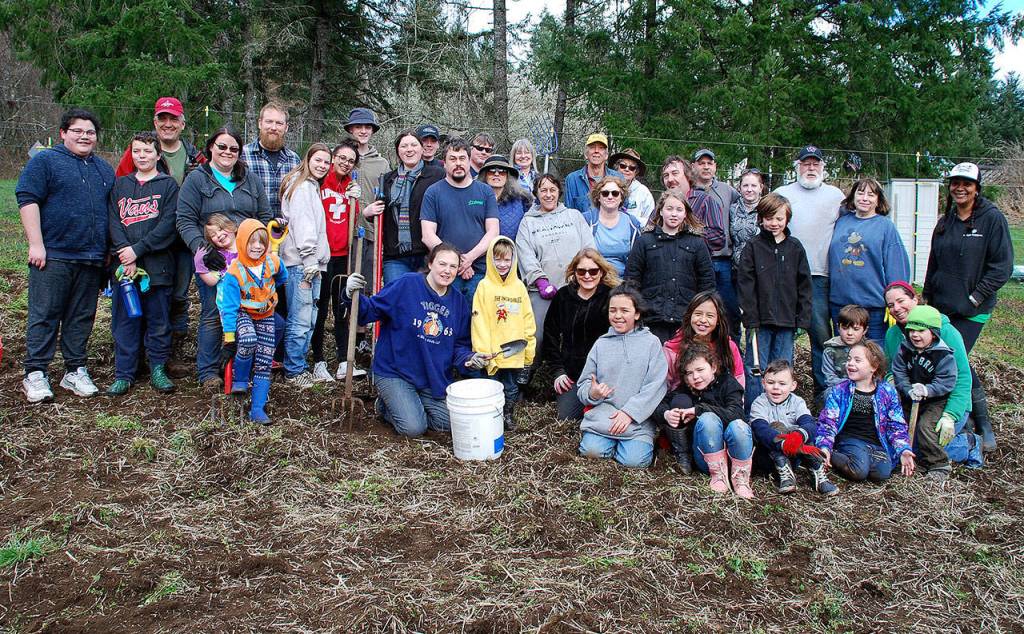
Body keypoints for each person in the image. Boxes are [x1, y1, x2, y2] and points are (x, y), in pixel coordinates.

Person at [18, 108, 114, 403]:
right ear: (63, 133)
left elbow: (112, 212)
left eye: (90, 132)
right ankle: (35, 372)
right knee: (45, 314)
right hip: (55, 254)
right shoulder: (46, 161)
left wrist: (107, 250)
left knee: (81, 316)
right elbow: (27, 198)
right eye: (77, 131)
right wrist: (36, 243)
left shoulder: (104, 170)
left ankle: (75, 369)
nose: (84, 136)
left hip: (91, 257)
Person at [343, 243, 483, 437]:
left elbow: (459, 345)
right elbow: (370, 311)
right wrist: (351, 295)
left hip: (430, 378)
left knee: (453, 423)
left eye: (453, 266)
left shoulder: (458, 302)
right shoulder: (407, 285)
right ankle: (385, 405)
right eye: (442, 264)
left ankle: (408, 404)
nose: (447, 271)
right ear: (431, 263)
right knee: (414, 428)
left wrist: (469, 359)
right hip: (395, 371)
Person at [923, 162, 1014, 452]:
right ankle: (963, 415)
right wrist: (927, 296)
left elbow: (1002, 267)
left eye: (967, 183)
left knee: (955, 357)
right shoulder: (946, 221)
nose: (960, 188)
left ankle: (982, 423)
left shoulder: (991, 220)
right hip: (942, 306)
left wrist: (975, 297)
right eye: (955, 183)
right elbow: (933, 262)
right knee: (947, 358)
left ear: (977, 187)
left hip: (973, 310)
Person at [113, 97, 205, 373]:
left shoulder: (195, 157)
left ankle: (168, 352)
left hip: (180, 238)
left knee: (175, 294)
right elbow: (119, 195)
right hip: (142, 240)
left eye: (173, 119)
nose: (168, 124)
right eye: (162, 119)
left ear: (182, 123)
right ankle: (134, 354)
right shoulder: (139, 153)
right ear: (155, 122)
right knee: (139, 292)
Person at [177, 126, 272, 388]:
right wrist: (203, 250)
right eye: (222, 147)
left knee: (248, 312)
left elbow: (264, 215)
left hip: (247, 260)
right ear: (210, 148)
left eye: (233, 148)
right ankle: (207, 371)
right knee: (213, 312)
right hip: (215, 260)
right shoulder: (197, 180)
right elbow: (184, 219)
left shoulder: (249, 179)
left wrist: (259, 247)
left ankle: (242, 364)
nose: (227, 152)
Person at [106, 131, 179, 396]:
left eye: (147, 151)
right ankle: (124, 373)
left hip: (157, 267)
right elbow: (113, 220)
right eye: (137, 151)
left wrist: (138, 249)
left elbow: (168, 225)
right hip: (124, 268)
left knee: (158, 319)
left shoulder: (168, 186)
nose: (142, 156)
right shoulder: (121, 185)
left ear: (158, 155)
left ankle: (157, 368)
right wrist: (124, 252)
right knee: (124, 320)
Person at [884, 281, 982, 468]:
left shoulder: (945, 332)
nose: (896, 308)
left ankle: (969, 442)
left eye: (901, 300)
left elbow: (961, 378)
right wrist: (892, 382)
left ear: (915, 298)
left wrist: (950, 416)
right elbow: (893, 370)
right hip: (912, 400)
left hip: (944, 403)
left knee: (924, 446)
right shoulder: (893, 335)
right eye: (890, 305)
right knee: (899, 445)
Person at [773, 145, 844, 397]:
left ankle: (822, 394)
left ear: (823, 167)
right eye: (806, 163)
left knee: (821, 338)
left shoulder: (836, 196)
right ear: (797, 167)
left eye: (815, 164)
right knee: (783, 337)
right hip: (783, 277)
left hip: (818, 276)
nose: (810, 168)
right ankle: (780, 395)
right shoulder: (782, 193)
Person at [576, 287, 668, 468]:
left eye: (624, 310)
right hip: (604, 418)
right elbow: (584, 383)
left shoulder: (651, 343)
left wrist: (629, 413)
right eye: (613, 310)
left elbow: (657, 385)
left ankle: (634, 445)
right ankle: (608, 443)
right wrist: (593, 393)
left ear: (637, 314)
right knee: (591, 452)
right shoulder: (601, 344)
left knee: (634, 461)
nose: (618, 316)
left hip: (636, 420)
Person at [736, 192, 812, 404]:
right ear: (761, 219)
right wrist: (749, 316)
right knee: (756, 369)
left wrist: (802, 318)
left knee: (782, 368)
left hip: (787, 321)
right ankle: (754, 413)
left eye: (779, 218)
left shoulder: (795, 247)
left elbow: (805, 284)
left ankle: (780, 413)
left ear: (787, 219)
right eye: (769, 218)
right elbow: (745, 284)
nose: (774, 223)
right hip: (759, 322)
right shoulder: (753, 246)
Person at [656, 343, 752, 497]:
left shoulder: (728, 383)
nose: (695, 377)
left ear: (713, 367)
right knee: (708, 420)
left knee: (738, 425)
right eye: (689, 373)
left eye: (700, 370)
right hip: (707, 458)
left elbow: (737, 414)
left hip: (733, 453)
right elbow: (660, 405)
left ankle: (741, 479)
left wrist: (698, 410)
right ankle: (718, 476)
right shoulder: (687, 389)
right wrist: (666, 414)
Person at [218, 220, 289, 424]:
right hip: (243, 313)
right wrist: (230, 340)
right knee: (248, 340)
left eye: (261, 242)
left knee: (265, 361)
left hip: (266, 314)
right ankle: (240, 379)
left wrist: (268, 291)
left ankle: (257, 409)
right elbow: (229, 309)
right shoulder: (234, 273)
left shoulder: (272, 262)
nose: (257, 246)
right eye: (252, 242)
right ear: (241, 242)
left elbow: (282, 276)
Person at [815, 341, 915, 483]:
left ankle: (864, 458)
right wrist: (824, 446)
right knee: (858, 471)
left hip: (876, 444)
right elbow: (828, 423)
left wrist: (903, 449)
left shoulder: (887, 391)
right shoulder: (840, 391)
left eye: (857, 360)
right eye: (849, 359)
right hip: (850, 439)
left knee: (883, 473)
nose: (850, 363)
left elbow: (896, 425)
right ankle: (827, 453)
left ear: (874, 367)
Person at [516, 173, 596, 350]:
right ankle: (529, 369)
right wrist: (541, 281)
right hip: (544, 291)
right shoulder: (527, 223)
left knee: (581, 333)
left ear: (559, 191)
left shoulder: (574, 216)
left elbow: (589, 249)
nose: (548, 194)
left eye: (552, 190)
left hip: (577, 286)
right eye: (543, 190)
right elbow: (525, 255)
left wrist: (582, 277)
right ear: (536, 193)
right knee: (537, 335)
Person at [624, 189, 715, 342]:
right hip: (651, 318)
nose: (674, 214)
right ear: (660, 211)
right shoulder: (645, 241)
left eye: (679, 209)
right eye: (669, 208)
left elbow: (707, 282)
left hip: (685, 318)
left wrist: (701, 313)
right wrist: (637, 311)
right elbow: (632, 279)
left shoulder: (697, 243)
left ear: (685, 213)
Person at [827, 178, 910, 343]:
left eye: (871, 195)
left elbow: (897, 266)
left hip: (873, 306)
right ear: (853, 196)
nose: (865, 198)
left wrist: (895, 301)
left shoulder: (886, 227)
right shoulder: (841, 222)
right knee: (844, 353)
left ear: (878, 199)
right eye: (860, 193)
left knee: (874, 354)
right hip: (841, 302)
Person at [660, 155, 734, 338]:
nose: (671, 179)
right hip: (666, 279)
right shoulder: (662, 205)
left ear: (687, 175)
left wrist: (685, 233)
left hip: (695, 277)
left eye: (675, 173)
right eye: (666, 175)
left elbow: (718, 238)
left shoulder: (705, 201)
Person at [543, 248, 620, 421]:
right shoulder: (563, 296)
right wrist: (558, 371)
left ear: (601, 272)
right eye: (581, 271)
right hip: (573, 372)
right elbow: (550, 335)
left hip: (604, 373)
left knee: (605, 412)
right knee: (567, 416)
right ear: (574, 272)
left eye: (593, 271)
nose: (587, 276)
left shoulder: (611, 297)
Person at [278, 143, 332, 388]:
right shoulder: (301, 187)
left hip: (313, 264)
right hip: (302, 264)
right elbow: (303, 226)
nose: (322, 165)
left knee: (309, 317)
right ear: (307, 159)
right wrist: (309, 258)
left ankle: (298, 365)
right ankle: (293, 370)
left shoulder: (312, 187)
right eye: (318, 160)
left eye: (325, 162)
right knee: (300, 319)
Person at [420, 137, 499, 299]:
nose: (458, 163)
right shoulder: (433, 192)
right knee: (445, 321)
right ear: (445, 163)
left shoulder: (485, 192)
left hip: (479, 271)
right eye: (453, 159)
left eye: (462, 158)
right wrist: (457, 262)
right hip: (445, 273)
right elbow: (427, 236)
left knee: (477, 322)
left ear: (469, 161)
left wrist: (469, 258)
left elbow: (493, 232)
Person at [312, 140, 364, 382]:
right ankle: (318, 360)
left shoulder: (350, 187)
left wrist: (356, 201)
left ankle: (344, 360)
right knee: (320, 309)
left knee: (342, 307)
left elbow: (352, 222)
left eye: (351, 160)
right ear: (333, 158)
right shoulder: (320, 182)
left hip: (343, 255)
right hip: (322, 256)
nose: (345, 163)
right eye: (341, 158)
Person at [471, 237, 537, 430]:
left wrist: (528, 351)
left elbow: (527, 319)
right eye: (497, 259)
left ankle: (507, 415)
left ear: (514, 260)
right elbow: (479, 320)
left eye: (507, 260)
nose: (502, 264)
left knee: (510, 387)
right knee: (491, 386)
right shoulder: (484, 287)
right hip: (491, 352)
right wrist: (483, 350)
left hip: (513, 352)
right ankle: (492, 418)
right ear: (490, 260)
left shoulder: (519, 287)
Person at [364, 129, 445, 285]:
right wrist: (368, 212)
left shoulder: (436, 176)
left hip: (427, 254)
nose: (409, 149)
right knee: (396, 300)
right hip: (395, 255)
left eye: (414, 145)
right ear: (398, 151)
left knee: (424, 302)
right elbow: (381, 211)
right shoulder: (387, 180)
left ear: (422, 149)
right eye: (404, 146)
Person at [748, 360, 837, 495]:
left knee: (803, 431)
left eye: (782, 384)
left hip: (794, 455)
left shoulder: (797, 402)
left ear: (793, 385)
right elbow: (760, 429)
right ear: (763, 383)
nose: (776, 387)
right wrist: (784, 443)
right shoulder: (759, 403)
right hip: (769, 457)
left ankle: (817, 470)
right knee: (775, 426)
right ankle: (785, 473)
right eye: (771, 383)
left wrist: (797, 436)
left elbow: (809, 424)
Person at [891, 305, 958, 482]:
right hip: (909, 396)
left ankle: (939, 464)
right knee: (898, 423)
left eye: (921, 330)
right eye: (911, 330)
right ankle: (898, 456)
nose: (915, 335)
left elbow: (947, 381)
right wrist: (907, 389)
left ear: (933, 333)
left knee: (925, 427)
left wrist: (928, 390)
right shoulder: (905, 348)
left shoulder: (943, 355)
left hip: (936, 400)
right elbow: (899, 371)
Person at [345, 108, 391, 297]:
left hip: (371, 233)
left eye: (367, 127)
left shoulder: (382, 163)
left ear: (372, 130)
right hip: (344, 231)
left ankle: (362, 324)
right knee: (345, 280)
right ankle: (344, 324)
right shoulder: (342, 158)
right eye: (358, 127)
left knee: (366, 282)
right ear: (351, 130)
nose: (363, 131)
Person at [663, 291, 745, 393]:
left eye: (710, 316)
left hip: (719, 404)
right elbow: (665, 386)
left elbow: (738, 381)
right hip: (683, 403)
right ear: (689, 316)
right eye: (698, 314)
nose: (703, 320)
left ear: (718, 320)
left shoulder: (728, 347)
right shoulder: (673, 348)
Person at [242, 102, 300, 216]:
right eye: (269, 122)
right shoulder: (243, 155)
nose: (273, 127)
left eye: (279, 123)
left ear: (286, 127)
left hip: (284, 230)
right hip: (252, 229)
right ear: (260, 123)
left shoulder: (294, 160)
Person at [582, 176, 642, 277]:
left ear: (621, 197)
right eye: (605, 193)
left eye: (615, 193)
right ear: (598, 197)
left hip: (622, 280)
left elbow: (637, 259)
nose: (610, 197)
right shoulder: (586, 220)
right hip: (591, 277)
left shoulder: (632, 223)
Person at [564, 133, 623, 215]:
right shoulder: (572, 179)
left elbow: (623, 209)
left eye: (601, 148)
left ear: (606, 155)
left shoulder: (618, 178)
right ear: (586, 154)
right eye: (592, 148)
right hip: (582, 226)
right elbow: (568, 212)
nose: (596, 151)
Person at [477, 154, 532, 240]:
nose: (496, 174)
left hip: (514, 251)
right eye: (492, 170)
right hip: (481, 251)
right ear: (485, 175)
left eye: (502, 171)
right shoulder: (474, 199)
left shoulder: (522, 199)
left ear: (508, 176)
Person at [822, 304, 868, 389]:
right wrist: (850, 385)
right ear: (838, 328)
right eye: (845, 328)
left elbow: (875, 375)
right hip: (838, 389)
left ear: (865, 330)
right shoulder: (830, 350)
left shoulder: (869, 349)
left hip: (864, 388)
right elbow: (829, 379)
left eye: (856, 329)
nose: (850, 333)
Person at [729, 168, 766, 268]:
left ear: (761, 187)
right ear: (740, 188)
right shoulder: (732, 209)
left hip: (761, 268)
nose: (749, 189)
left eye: (754, 185)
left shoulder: (767, 209)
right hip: (737, 269)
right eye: (745, 185)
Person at [609, 148, 655, 226]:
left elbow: (650, 220)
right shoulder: (607, 187)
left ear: (636, 172)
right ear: (617, 167)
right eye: (623, 166)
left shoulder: (643, 192)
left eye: (632, 168)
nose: (627, 169)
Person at [692, 148, 741, 215]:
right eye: (702, 163)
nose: (706, 167)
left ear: (715, 166)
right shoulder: (687, 190)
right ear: (693, 166)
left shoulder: (727, 190)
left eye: (709, 163)